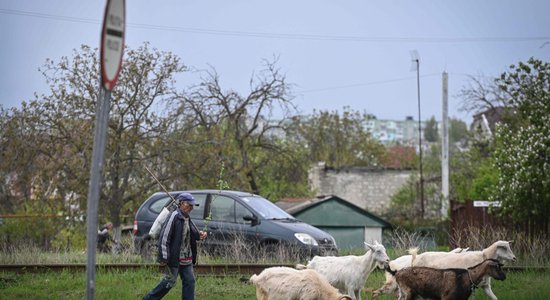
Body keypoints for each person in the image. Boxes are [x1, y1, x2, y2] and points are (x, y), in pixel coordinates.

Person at [143, 192, 207, 300]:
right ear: (181, 203)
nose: (191, 207)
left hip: (187, 258)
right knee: (169, 282)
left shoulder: (186, 217)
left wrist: (199, 234)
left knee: (189, 281)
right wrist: (164, 257)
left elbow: (190, 233)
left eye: (192, 205)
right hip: (175, 258)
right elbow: (164, 237)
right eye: (189, 204)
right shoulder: (174, 216)